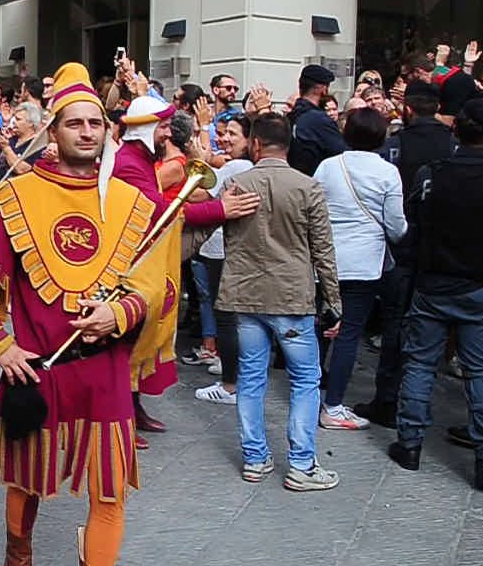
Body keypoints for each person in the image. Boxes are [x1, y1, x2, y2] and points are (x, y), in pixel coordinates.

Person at [0, 62, 172, 566]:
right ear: (55, 131)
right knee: (25, 482)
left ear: (107, 131)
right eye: (74, 123)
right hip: (37, 368)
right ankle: (17, 558)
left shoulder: (133, 202)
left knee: (108, 488)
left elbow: (157, 286)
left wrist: (120, 312)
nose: (86, 132)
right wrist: (2, 348)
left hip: (105, 373)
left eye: (94, 123)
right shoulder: (16, 197)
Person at [110, 86, 260, 441]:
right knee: (130, 341)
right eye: (162, 127)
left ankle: (132, 408)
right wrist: (219, 209)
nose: (168, 133)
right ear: (147, 128)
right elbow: (155, 213)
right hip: (135, 265)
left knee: (141, 339)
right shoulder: (131, 164)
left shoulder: (140, 160)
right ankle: (122, 416)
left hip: (147, 261)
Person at [218, 112, 342, 491]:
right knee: (306, 378)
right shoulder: (308, 187)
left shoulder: (237, 182)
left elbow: (226, 235)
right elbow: (323, 250)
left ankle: (255, 458)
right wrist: (333, 300)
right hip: (291, 297)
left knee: (251, 376)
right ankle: (301, 463)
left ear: (255, 144)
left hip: (246, 293)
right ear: (288, 144)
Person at [388, 99, 483, 491]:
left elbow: (412, 227)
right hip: (479, 288)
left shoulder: (430, 176)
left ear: (456, 131)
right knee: (481, 370)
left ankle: (411, 443)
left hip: (433, 282)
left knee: (419, 363)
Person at [354, 82, 456, 428]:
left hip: (401, 248)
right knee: (431, 333)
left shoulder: (393, 148)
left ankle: (388, 400)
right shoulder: (453, 144)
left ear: (408, 109)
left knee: (396, 325)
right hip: (442, 252)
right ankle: (419, 404)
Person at [313, 108, 406, 430]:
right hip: (365, 263)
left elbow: (314, 210)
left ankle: (309, 393)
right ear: (382, 137)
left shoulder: (328, 167)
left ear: (346, 134)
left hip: (326, 259)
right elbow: (396, 227)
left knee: (319, 327)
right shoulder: (388, 173)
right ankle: (333, 405)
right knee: (349, 334)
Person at [192, 114, 254, 405]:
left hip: (221, 249)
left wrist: (200, 155)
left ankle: (230, 385)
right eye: (224, 132)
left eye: (233, 134)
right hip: (234, 249)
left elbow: (199, 194)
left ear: (250, 141)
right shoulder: (247, 166)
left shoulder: (236, 167)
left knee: (226, 317)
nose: (225, 138)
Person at [286, 64, 347, 175]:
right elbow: (342, 154)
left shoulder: (290, 117)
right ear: (322, 89)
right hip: (312, 181)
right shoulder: (319, 120)